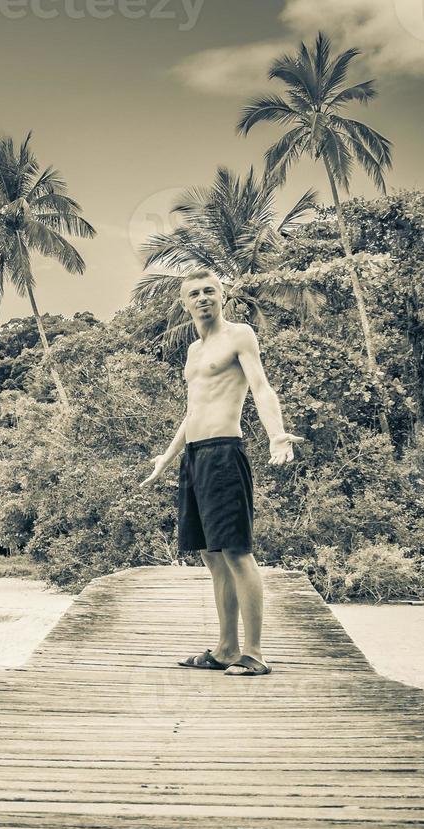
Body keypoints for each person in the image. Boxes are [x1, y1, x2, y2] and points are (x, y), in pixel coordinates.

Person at [140, 271, 303, 677]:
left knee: (236, 552)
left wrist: (277, 436)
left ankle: (255, 653)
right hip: (194, 457)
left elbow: (262, 388)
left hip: (224, 453)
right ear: (184, 303)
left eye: (209, 291)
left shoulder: (239, 334)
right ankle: (226, 648)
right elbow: (193, 412)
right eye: (193, 293)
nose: (202, 298)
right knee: (212, 556)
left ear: (222, 296)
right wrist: (167, 456)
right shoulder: (194, 351)